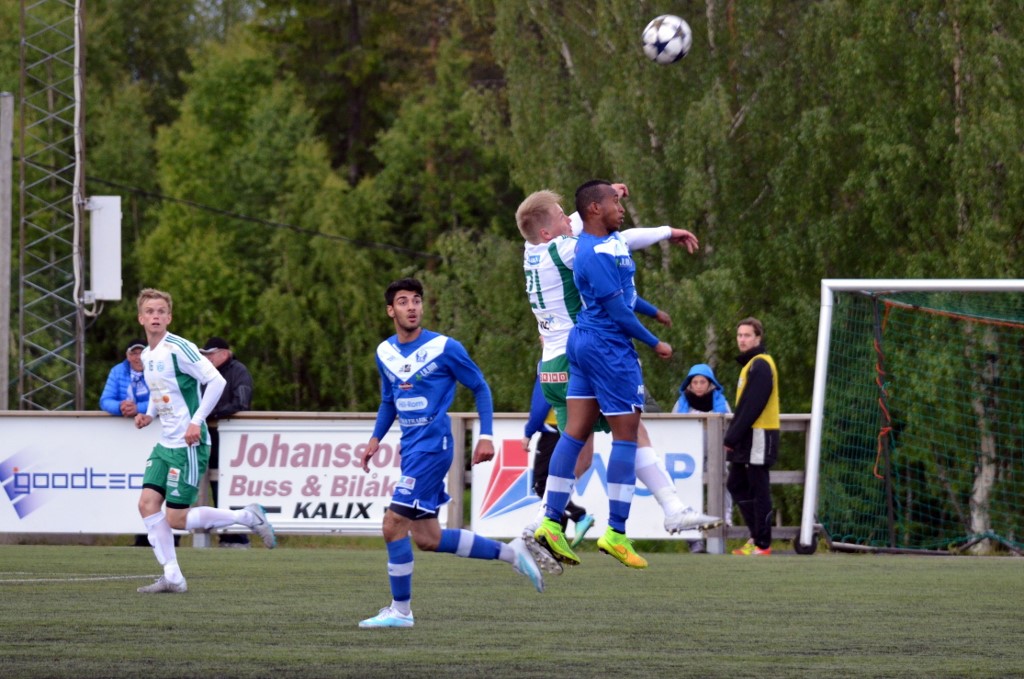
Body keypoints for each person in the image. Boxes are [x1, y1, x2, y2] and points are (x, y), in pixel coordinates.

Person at [515, 185, 720, 568]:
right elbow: (611, 241)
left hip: (554, 364)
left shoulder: (532, 248)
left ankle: (544, 525)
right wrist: (664, 232)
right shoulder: (566, 249)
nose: (569, 221)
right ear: (548, 230)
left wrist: (607, 194)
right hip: (581, 354)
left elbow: (571, 220)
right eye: (562, 217)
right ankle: (652, 515)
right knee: (629, 432)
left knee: (581, 449)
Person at [357, 278, 545, 629]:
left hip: (434, 447)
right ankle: (512, 553)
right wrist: (375, 438)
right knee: (428, 538)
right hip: (411, 449)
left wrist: (486, 436)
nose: (412, 307)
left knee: (393, 524)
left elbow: (480, 387)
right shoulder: (385, 352)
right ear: (390, 311)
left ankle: (401, 611)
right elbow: (388, 401)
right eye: (403, 301)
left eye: (416, 300)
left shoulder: (444, 347)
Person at [133, 288, 277, 594]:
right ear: (141, 318)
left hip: (188, 445)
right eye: (150, 311)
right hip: (165, 444)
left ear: (169, 317)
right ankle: (173, 576)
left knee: (175, 518)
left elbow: (217, 381)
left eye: (161, 311)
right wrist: (148, 414)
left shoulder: (179, 348)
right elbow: (162, 392)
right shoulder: (146, 355)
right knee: (146, 504)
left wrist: (196, 421)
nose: (156, 316)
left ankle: (247, 516)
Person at [101, 337, 164, 547]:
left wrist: (139, 408)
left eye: (140, 353)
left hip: (157, 434)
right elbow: (105, 400)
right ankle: (143, 536)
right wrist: (120, 407)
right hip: (129, 440)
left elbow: (164, 398)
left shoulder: (157, 369)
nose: (137, 357)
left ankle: (169, 535)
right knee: (142, 487)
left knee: (158, 484)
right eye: (133, 353)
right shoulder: (118, 371)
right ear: (127, 356)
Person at [724, 318, 780, 556]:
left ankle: (763, 543)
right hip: (748, 434)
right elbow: (744, 405)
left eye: (747, 335)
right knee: (736, 483)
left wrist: (731, 436)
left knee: (759, 487)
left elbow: (752, 405)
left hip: (760, 433)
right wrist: (735, 436)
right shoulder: (751, 365)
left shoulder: (762, 364)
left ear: (758, 338)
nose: (742, 340)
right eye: (739, 335)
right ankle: (757, 536)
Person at [522, 364, 594, 547]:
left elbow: (542, 401)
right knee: (555, 482)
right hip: (576, 424)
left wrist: (529, 432)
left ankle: (578, 516)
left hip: (554, 428)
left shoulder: (549, 360)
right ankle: (555, 542)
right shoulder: (576, 357)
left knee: (543, 485)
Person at [200, 336, 254, 548]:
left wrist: (211, 413)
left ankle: (237, 536)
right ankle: (225, 534)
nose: (207, 358)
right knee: (214, 486)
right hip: (209, 436)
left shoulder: (238, 371)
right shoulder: (204, 373)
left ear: (224, 353)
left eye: (211, 354)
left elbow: (241, 403)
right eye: (205, 354)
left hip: (232, 439)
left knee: (231, 486)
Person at [673, 363, 733, 554]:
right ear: (689, 385)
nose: (699, 386)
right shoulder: (681, 404)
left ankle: (724, 517)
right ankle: (694, 538)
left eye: (702, 382)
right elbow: (672, 428)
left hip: (716, 455)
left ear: (710, 384)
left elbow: (730, 426)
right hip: (689, 457)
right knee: (687, 490)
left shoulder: (721, 403)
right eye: (695, 382)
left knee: (724, 478)